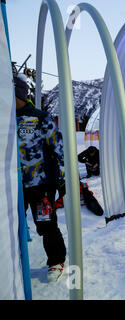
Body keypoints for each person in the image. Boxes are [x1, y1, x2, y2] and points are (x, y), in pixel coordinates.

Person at [14, 75, 66, 282]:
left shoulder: (39, 117)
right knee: (11, 224)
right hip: (13, 184)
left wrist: (61, 180)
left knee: (46, 224)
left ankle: (57, 260)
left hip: (40, 184)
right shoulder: (4, 118)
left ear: (17, 93)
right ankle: (13, 262)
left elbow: (58, 148)